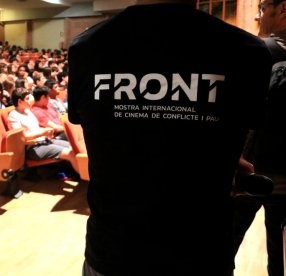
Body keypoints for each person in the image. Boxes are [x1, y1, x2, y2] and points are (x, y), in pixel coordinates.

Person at [67, 0, 272, 275]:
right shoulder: (246, 51)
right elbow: (235, 133)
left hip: (113, 250)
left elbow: (106, 132)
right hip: (200, 252)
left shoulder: (87, 46)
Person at [232, 1, 286, 275]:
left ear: (283, 9)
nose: (258, 14)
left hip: (250, 173)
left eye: (263, 7)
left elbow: (234, 112)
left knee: (222, 245)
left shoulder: (259, 51)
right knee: (282, 256)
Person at [8, 88, 79, 173]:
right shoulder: (13, 116)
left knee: (75, 147)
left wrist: (46, 132)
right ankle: (87, 178)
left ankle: (84, 173)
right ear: (19, 101)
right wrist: (42, 133)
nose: (31, 100)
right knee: (70, 153)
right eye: (27, 98)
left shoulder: (28, 111)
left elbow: (36, 128)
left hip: (44, 141)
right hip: (32, 148)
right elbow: (21, 137)